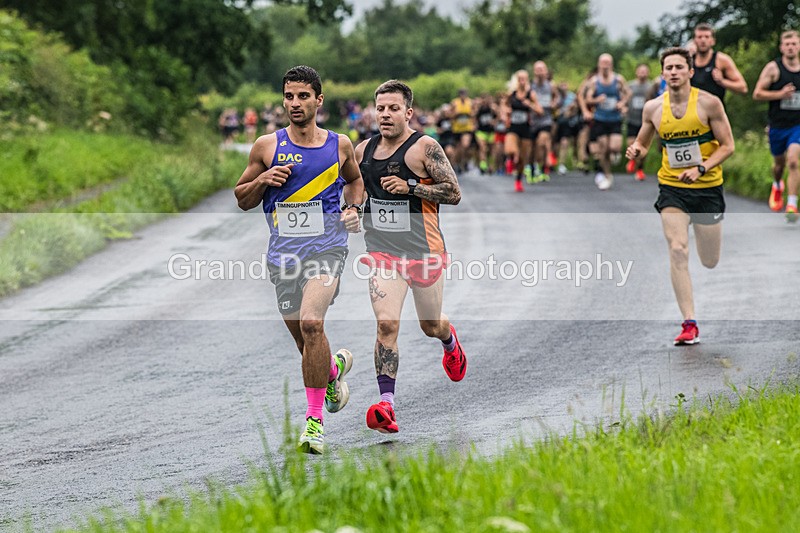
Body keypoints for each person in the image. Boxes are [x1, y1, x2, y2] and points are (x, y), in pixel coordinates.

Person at [233, 66, 365, 454]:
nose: (294, 103)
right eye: (289, 96)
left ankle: (314, 425)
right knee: (306, 343)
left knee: (311, 323)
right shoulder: (266, 146)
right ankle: (332, 371)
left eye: (303, 96)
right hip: (283, 257)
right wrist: (263, 180)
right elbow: (242, 198)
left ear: (318, 101)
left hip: (328, 249)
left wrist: (353, 208)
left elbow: (355, 180)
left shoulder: (340, 145)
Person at [355, 80, 467, 435]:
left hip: (425, 251)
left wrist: (412, 188)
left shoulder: (424, 148)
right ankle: (386, 405)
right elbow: (352, 189)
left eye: (392, 108)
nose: (385, 115)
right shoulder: (363, 152)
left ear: (408, 112)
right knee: (386, 324)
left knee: (429, 325)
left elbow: (453, 192)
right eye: (380, 108)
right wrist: (351, 208)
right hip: (383, 253)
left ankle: (449, 341)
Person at [626, 47, 735, 345]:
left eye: (678, 67)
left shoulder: (709, 104)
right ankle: (689, 323)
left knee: (709, 260)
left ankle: (704, 243)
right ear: (662, 74)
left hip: (707, 187)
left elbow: (727, 146)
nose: (673, 72)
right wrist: (636, 151)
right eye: (668, 68)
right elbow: (644, 144)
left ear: (689, 72)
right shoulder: (653, 109)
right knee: (677, 249)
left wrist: (702, 167)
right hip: (672, 188)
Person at [752, 30, 800, 221]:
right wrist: (779, 94)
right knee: (779, 165)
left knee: (794, 161)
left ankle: (792, 204)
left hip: (797, 125)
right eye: (787, 44)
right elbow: (757, 94)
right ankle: (777, 184)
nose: (791, 47)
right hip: (778, 125)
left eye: (794, 43)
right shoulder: (773, 68)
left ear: (799, 46)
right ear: (781, 47)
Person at [584, 54, 631, 190]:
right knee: (603, 149)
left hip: (615, 118)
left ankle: (614, 156)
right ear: (599, 64)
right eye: (602, 63)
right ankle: (607, 174)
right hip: (600, 118)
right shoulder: (594, 81)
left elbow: (628, 93)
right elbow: (587, 99)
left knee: (614, 147)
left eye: (607, 63)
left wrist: (622, 103)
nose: (605, 65)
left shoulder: (618, 79)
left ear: (611, 64)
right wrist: (596, 100)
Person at [690, 23, 748, 104]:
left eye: (707, 37)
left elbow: (743, 88)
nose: (703, 40)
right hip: (693, 111)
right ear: (694, 41)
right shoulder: (688, 60)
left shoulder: (722, 60)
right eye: (699, 37)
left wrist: (722, 81)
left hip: (715, 112)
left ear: (713, 41)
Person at [506, 69, 543, 192]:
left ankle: (518, 180)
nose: (522, 81)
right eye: (519, 79)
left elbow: (540, 111)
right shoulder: (512, 94)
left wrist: (530, 105)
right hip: (513, 127)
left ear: (527, 80)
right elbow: (504, 106)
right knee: (510, 149)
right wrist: (505, 112)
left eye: (524, 79)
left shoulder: (531, 94)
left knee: (522, 158)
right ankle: (512, 158)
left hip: (526, 128)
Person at [626, 63, 652, 181]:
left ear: (648, 73)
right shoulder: (630, 85)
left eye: (645, 71)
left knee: (642, 147)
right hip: (632, 118)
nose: (642, 73)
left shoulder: (651, 86)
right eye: (640, 71)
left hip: (645, 121)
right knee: (631, 143)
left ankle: (640, 169)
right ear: (636, 72)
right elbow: (624, 98)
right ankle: (632, 160)